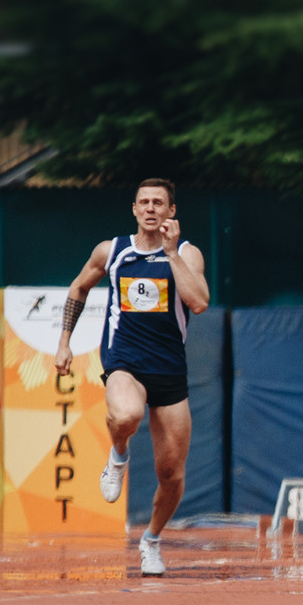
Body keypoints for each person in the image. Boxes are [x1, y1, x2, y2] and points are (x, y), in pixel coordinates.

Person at [53, 179, 210, 576]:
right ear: (134, 209)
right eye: (145, 202)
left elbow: (199, 302)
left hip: (170, 370)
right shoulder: (113, 251)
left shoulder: (188, 254)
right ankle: (118, 454)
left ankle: (152, 540)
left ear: (171, 212)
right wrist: (64, 343)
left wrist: (171, 253)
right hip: (125, 361)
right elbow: (78, 287)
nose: (151, 208)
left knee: (171, 475)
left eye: (159, 203)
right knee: (125, 415)